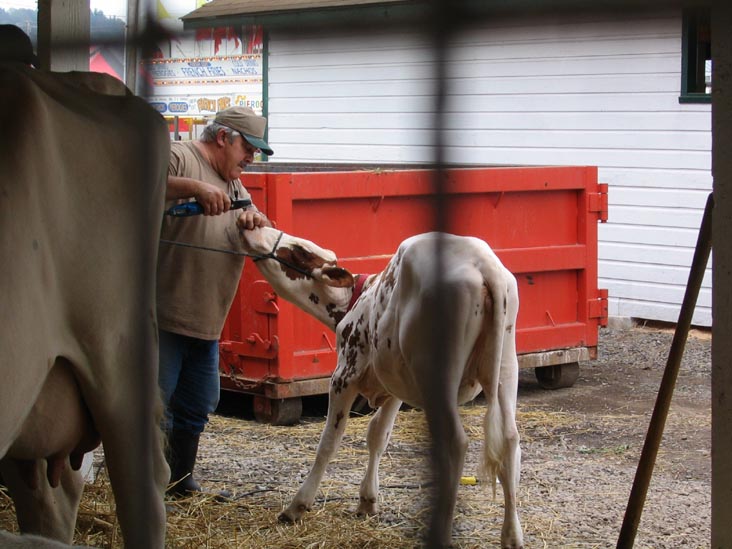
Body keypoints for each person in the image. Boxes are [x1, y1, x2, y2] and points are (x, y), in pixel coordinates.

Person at [157, 106, 274, 497]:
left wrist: (256, 220)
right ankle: (145, 487)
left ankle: (179, 482)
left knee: (196, 405)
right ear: (223, 137)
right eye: (248, 148)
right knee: (152, 407)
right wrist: (195, 188)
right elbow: (139, 184)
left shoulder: (235, 183)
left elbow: (261, 219)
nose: (251, 158)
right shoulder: (178, 156)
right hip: (161, 316)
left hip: (207, 321)